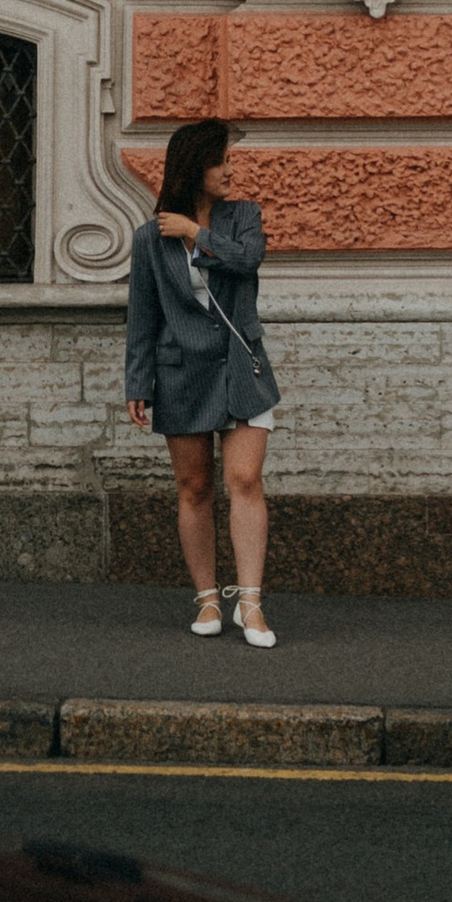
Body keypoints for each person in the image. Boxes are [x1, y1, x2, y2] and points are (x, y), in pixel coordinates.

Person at [125, 121, 280, 647]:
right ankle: (208, 599)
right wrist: (137, 380)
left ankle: (251, 606)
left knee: (245, 480)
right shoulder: (149, 238)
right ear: (194, 167)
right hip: (181, 372)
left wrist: (195, 234)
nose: (229, 170)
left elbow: (248, 260)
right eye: (219, 161)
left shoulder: (244, 217)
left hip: (241, 368)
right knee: (194, 487)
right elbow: (143, 315)